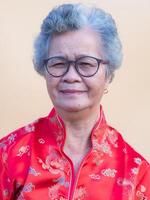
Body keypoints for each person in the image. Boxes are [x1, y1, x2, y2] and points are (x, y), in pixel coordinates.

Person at [0, 3, 149, 200]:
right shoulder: (9, 155)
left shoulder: (136, 172)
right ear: (44, 70)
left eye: (86, 64)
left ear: (108, 72)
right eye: (59, 63)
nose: (71, 76)